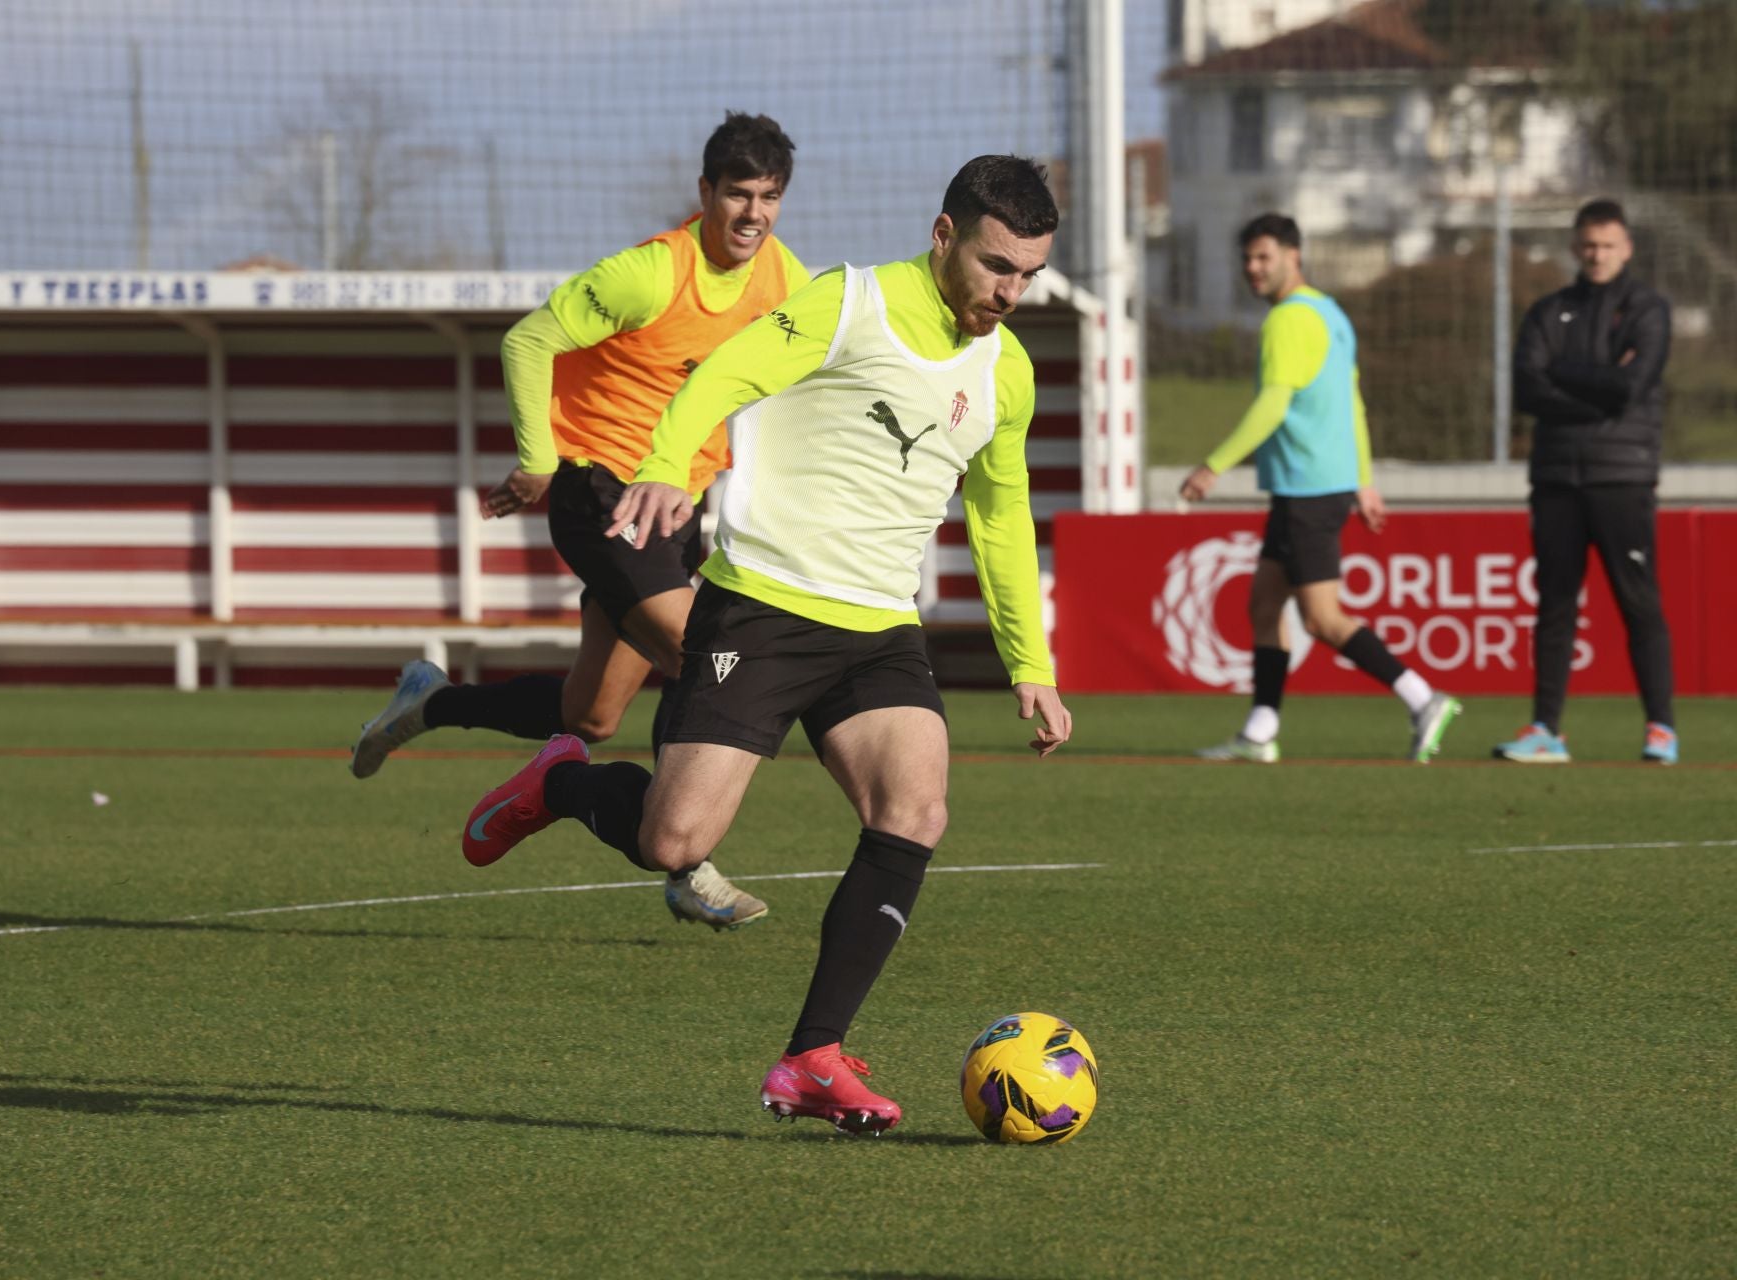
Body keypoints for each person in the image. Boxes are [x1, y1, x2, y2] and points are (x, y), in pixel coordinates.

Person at [459, 155, 1073, 1134]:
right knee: (675, 839)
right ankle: (562, 782)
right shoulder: (849, 303)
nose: (1009, 293)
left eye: (1029, 275)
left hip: (877, 627)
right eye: (997, 266)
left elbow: (1003, 516)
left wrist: (1030, 665)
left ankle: (813, 1057)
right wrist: (661, 466)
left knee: (915, 806)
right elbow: (726, 371)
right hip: (763, 612)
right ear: (945, 236)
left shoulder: (1009, 371)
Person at [350, 112, 812, 928]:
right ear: (705, 193)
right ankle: (686, 865)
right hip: (598, 495)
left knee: (589, 715)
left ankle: (436, 708)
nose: (753, 214)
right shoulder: (650, 274)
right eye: (738, 194)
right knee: (706, 660)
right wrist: (536, 458)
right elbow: (530, 341)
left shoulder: (785, 281)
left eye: (769, 197)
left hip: (675, 508)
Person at [1181, 213, 1461, 764]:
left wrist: (1213, 466)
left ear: (1293, 255)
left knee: (1322, 619)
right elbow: (1352, 402)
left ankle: (1422, 698)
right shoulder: (1331, 314)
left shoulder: (1288, 320)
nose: (1253, 270)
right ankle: (1260, 731)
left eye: (1264, 258)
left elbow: (1273, 405)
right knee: (1264, 604)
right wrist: (1365, 481)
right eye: (1247, 260)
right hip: (1314, 487)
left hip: (1309, 488)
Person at [1497, 199, 1677, 765]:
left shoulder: (1647, 309)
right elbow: (1526, 389)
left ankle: (1661, 729)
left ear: (1626, 249)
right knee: (1554, 603)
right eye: (1589, 245)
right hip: (1555, 477)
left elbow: (1632, 387)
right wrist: (1599, 383)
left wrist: (1563, 375)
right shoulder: (1550, 310)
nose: (1597, 255)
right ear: (1576, 248)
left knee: (1637, 602)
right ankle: (1546, 729)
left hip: (1622, 476)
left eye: (1608, 245)